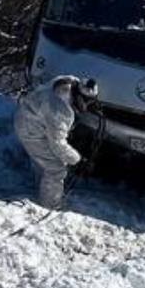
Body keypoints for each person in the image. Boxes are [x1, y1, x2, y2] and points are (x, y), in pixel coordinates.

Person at [14, 76, 96, 209]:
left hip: (30, 115)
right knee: (56, 167)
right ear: (80, 97)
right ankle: (51, 205)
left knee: (45, 161)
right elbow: (57, 145)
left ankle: (43, 190)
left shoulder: (68, 81)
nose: (86, 106)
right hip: (30, 130)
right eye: (87, 102)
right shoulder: (61, 110)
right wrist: (78, 160)